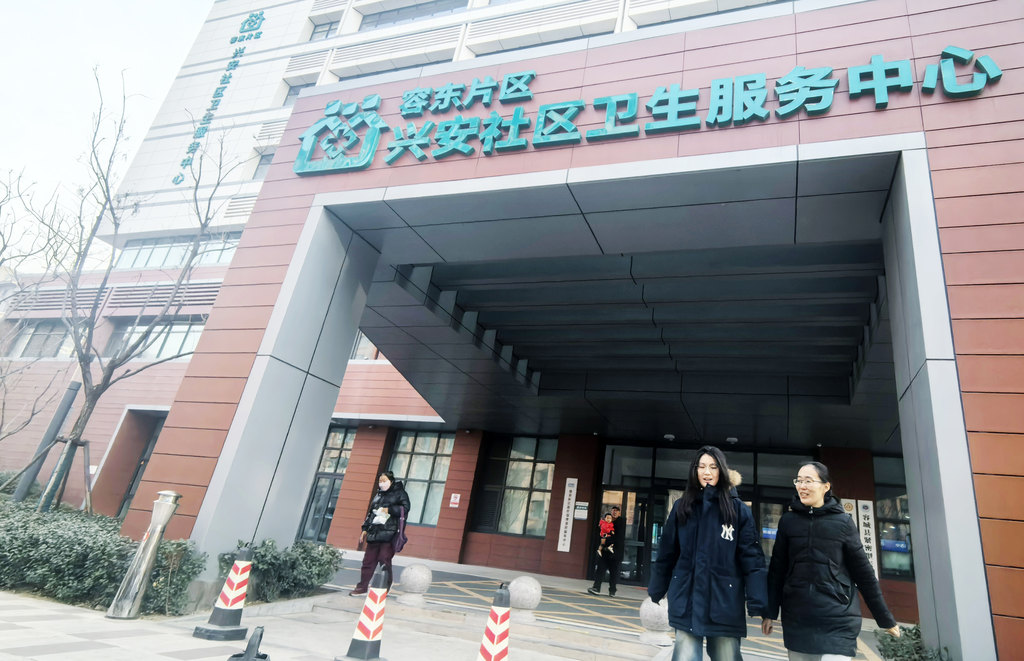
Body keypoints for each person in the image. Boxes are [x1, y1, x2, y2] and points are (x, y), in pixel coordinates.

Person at [761, 461, 900, 661]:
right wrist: (770, 613)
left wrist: (884, 618)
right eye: (799, 481)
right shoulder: (788, 522)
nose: (802, 486)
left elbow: (864, 573)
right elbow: (777, 571)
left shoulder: (843, 523)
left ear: (825, 486)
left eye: (808, 481)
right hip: (798, 618)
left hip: (838, 618)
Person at [648, 446, 767, 661]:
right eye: (701, 466)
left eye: (713, 467)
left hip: (725, 602)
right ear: (694, 471)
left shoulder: (738, 510)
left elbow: (752, 559)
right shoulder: (682, 507)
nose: (707, 472)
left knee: (726, 656)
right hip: (686, 598)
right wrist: (657, 588)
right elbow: (667, 552)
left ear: (722, 471)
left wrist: (759, 601)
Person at [350, 471, 410, 596]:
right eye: (380, 481)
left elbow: (405, 509)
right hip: (374, 532)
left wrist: (389, 509)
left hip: (390, 533)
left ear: (391, 481)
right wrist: (364, 529)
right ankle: (362, 587)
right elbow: (370, 514)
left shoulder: (400, 493)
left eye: (384, 480)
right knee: (367, 562)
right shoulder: (378, 495)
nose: (382, 483)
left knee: (384, 560)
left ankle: (384, 587)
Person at [588, 505, 623, 597]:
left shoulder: (620, 523)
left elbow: (617, 538)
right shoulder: (606, 522)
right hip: (604, 552)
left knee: (613, 573)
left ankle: (612, 591)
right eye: (613, 510)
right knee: (600, 570)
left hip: (615, 552)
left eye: (616, 511)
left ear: (619, 513)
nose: (614, 512)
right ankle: (596, 588)